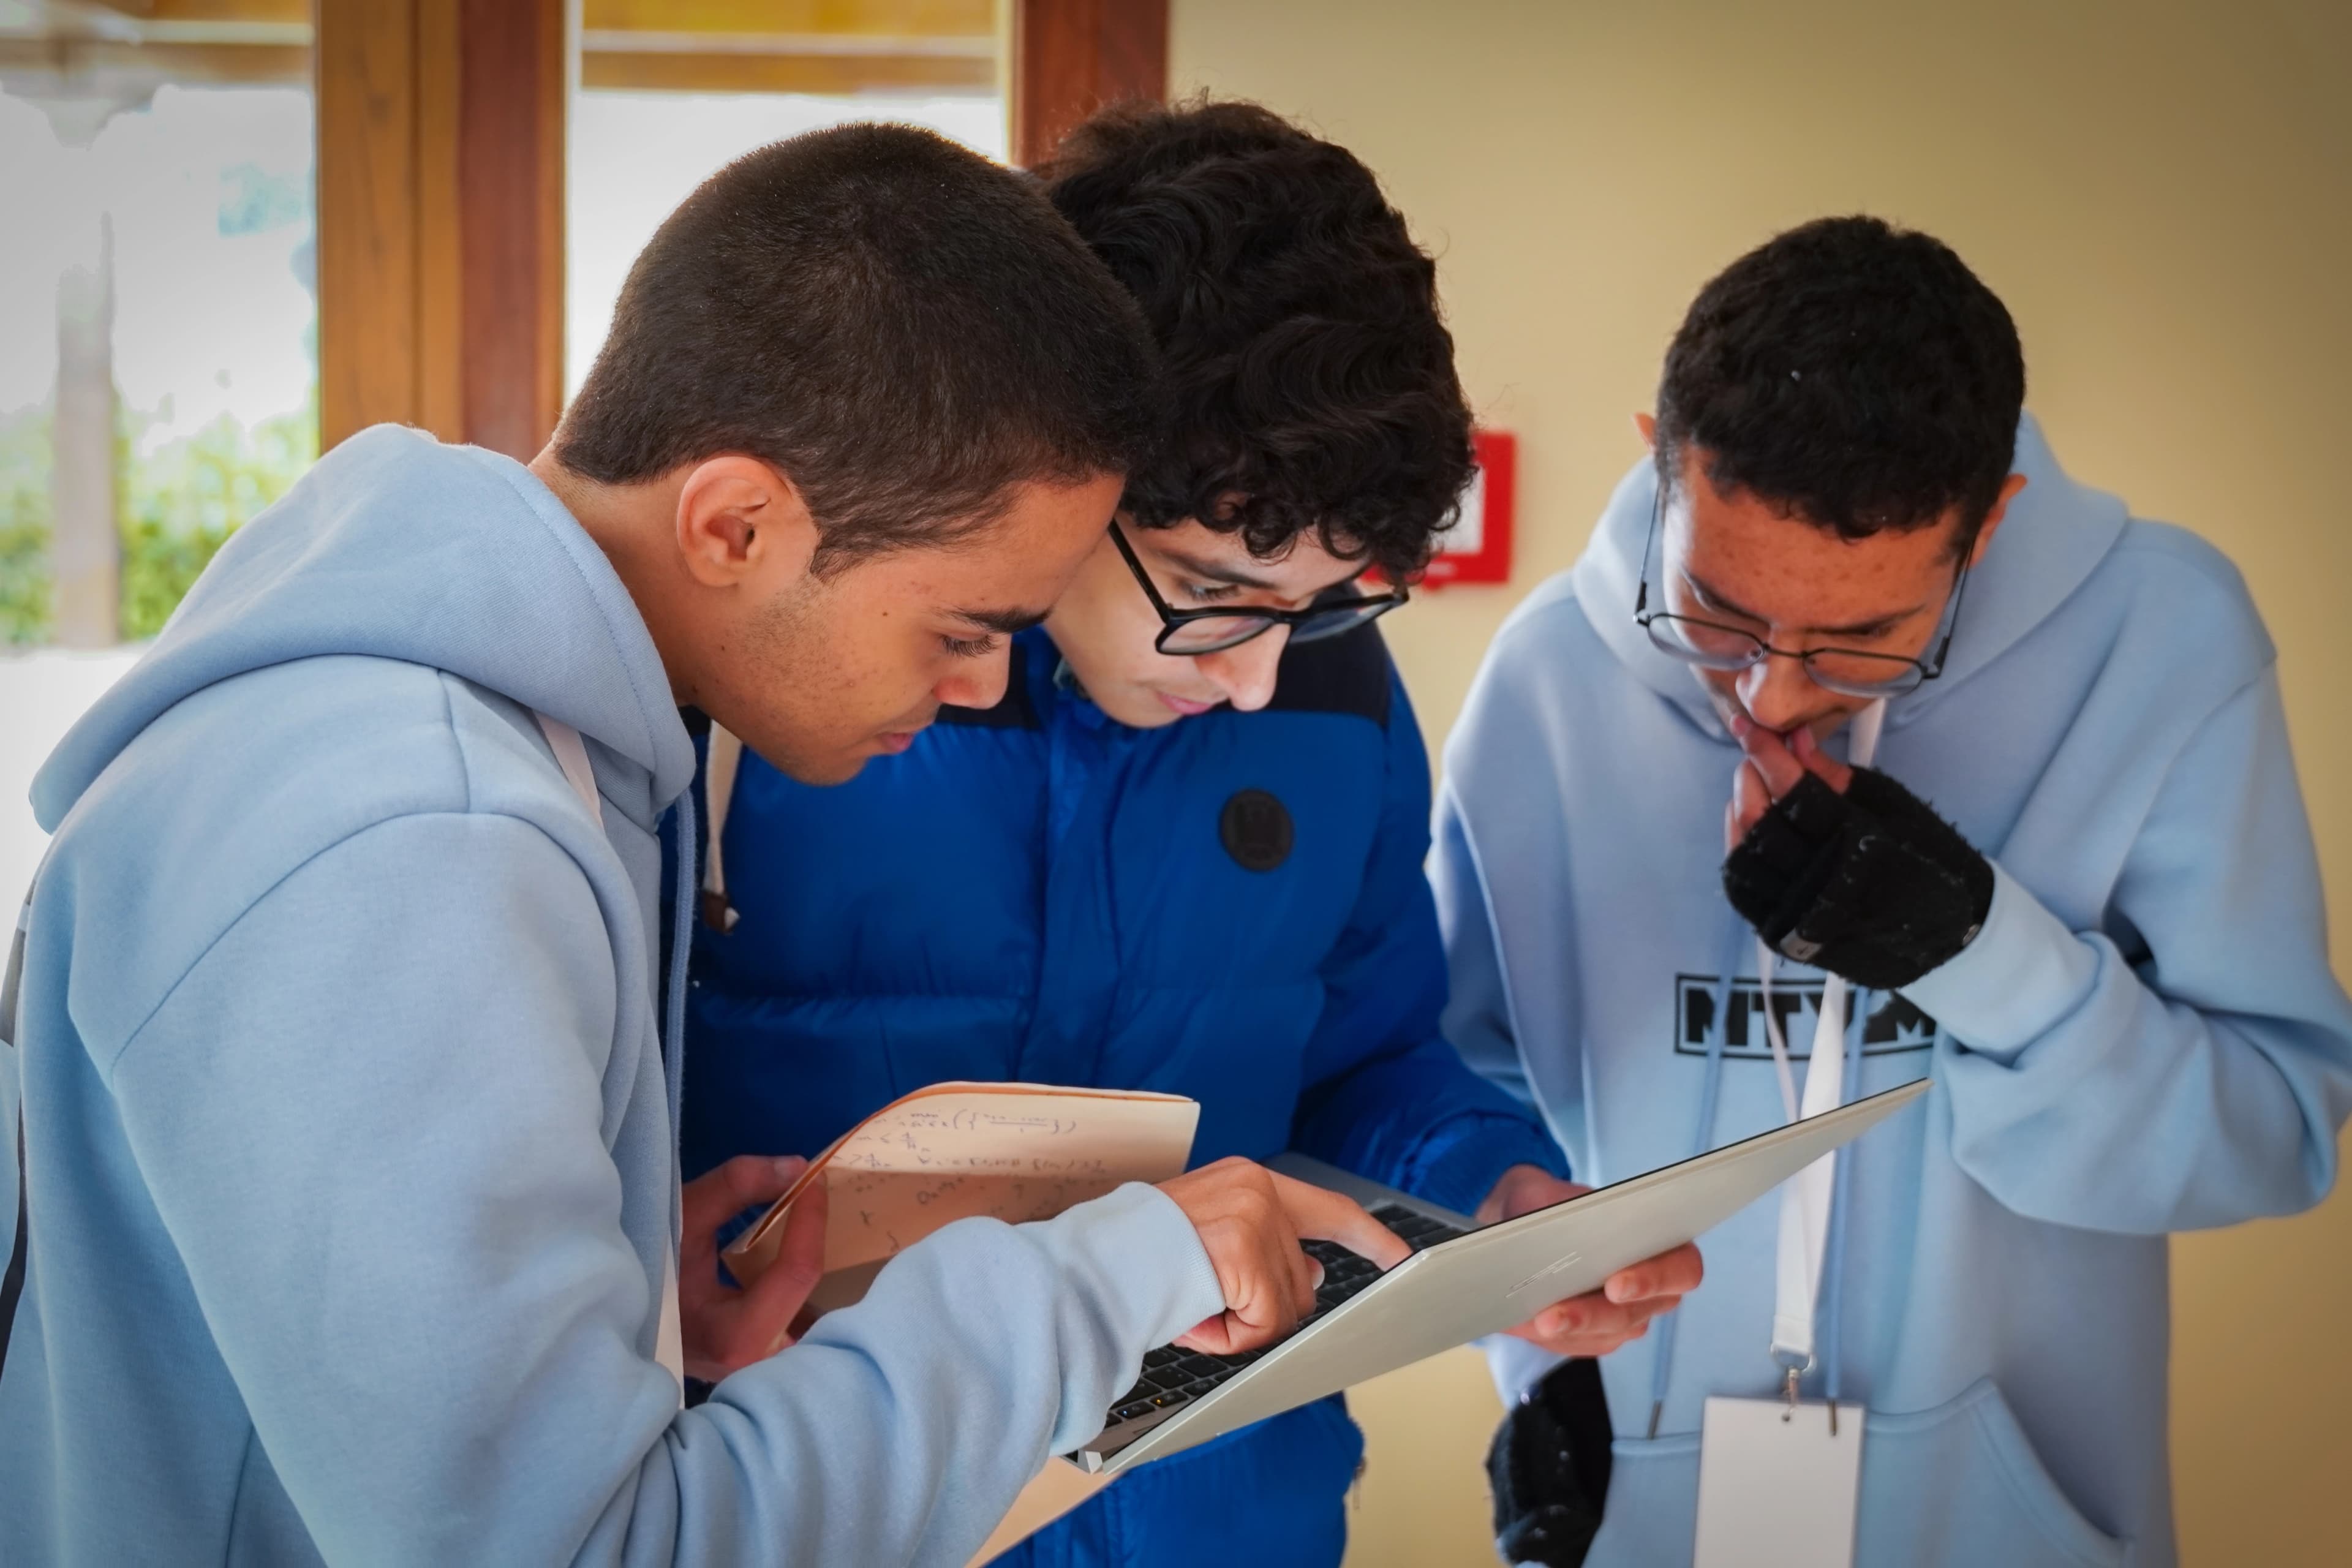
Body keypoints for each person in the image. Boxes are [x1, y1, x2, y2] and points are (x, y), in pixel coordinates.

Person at [0, 124, 1414, 1568]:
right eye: (963, 627)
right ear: (735, 524)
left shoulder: (526, 759)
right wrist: (1109, 1274)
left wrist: (616, 1296)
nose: (989, 685)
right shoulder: (414, 838)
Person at [676, 102, 1703, 1568]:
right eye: (1215, 589)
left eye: (1322, 601)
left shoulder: (1330, 690)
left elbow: (1365, 1050)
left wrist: (1493, 1192)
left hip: (1225, 1513)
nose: (1258, 674)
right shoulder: (796, 680)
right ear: (1063, 464)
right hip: (831, 1505)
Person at [1439, 214, 2352, 1567]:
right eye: (1720, 610)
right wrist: (1528, 1362)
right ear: (1660, 456)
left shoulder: (2166, 643)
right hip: (1631, 1501)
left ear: (1991, 523)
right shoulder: (1543, 681)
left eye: (1866, 636)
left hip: (2012, 1518)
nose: (1776, 691)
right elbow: (1448, 1111)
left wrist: (1982, 950)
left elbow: (2276, 1133)